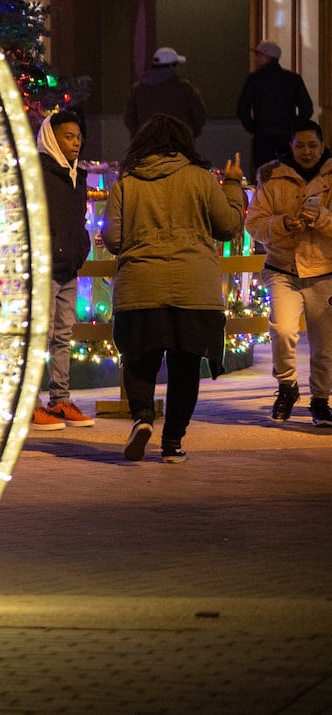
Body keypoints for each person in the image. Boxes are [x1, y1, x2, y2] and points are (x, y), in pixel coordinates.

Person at [105, 114, 244, 463]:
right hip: (194, 290)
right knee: (185, 367)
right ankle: (173, 444)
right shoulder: (201, 179)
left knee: (139, 361)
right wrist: (231, 185)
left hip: (141, 287)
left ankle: (143, 418)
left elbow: (112, 239)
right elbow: (228, 227)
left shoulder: (127, 183)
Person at [244, 120, 332, 427]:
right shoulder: (271, 175)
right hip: (282, 268)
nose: (307, 152)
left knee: (325, 342)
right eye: (300, 145)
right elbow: (253, 224)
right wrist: (281, 224)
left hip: (325, 270)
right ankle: (286, 387)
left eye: (313, 145)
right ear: (291, 146)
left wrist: (321, 218)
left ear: (322, 146)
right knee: (282, 330)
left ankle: (321, 399)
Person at [31, 109, 96, 430]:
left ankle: (60, 400)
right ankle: (31, 404)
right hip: (43, 269)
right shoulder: (36, 174)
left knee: (62, 335)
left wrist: (79, 248)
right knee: (38, 336)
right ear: (51, 137)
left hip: (68, 267)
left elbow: (77, 222)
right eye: (68, 137)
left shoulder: (76, 175)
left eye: (79, 138)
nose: (75, 144)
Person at [236, 40, 313, 176]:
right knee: (287, 174)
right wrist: (295, 127)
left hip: (263, 137)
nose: (256, 59)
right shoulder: (293, 79)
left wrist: (253, 128)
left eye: (259, 55)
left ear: (267, 57)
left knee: (263, 176)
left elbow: (242, 109)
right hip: (287, 137)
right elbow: (307, 108)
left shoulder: (255, 79)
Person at [124, 46, 206, 140]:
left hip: (147, 145)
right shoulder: (185, 88)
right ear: (172, 66)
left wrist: (141, 136)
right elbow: (199, 117)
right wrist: (188, 135)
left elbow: (129, 120)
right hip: (178, 145)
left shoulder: (137, 89)